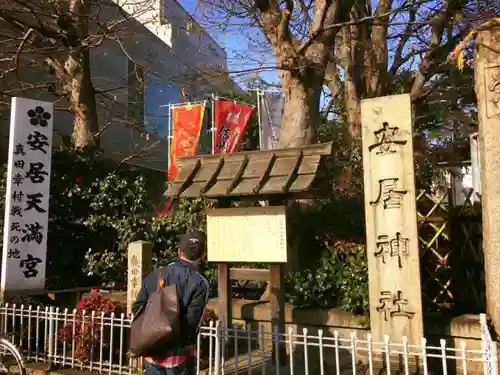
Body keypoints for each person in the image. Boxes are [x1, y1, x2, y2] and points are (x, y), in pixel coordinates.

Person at [132, 231, 209, 375]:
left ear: (179, 251)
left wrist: (152, 333)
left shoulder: (157, 274)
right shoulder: (200, 283)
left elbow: (137, 308)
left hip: (152, 351)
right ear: (203, 255)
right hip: (179, 355)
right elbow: (192, 323)